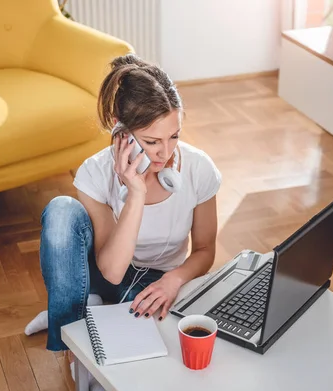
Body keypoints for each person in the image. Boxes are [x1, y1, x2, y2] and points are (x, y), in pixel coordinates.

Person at [25, 54, 222, 359]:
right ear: (121, 131)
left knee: (147, 340)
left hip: (156, 278)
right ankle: (69, 338)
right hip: (103, 271)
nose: (165, 153)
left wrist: (174, 280)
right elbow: (113, 271)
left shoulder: (198, 168)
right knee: (61, 210)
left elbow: (205, 250)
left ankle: (84, 308)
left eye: (174, 136)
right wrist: (136, 193)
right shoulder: (95, 172)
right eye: (152, 141)